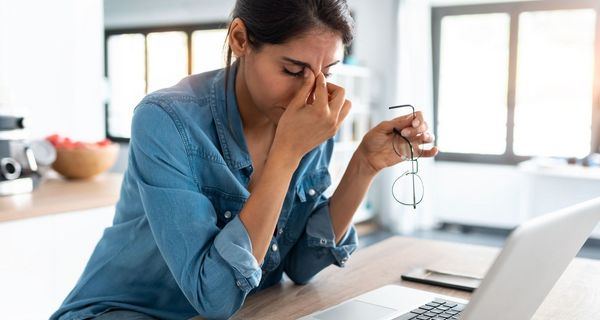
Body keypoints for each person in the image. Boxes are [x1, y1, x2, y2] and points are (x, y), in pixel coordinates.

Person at [50, 0, 437, 319]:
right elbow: (213, 296)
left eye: (328, 71)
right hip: (124, 312)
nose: (312, 92)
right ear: (240, 39)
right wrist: (286, 154)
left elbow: (301, 265)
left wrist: (364, 165)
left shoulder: (305, 117)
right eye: (293, 70)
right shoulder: (166, 119)